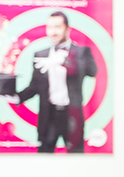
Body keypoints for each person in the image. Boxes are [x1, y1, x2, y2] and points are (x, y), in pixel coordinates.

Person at [7, 11, 98, 153]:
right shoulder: (41, 55)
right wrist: (18, 97)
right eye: (49, 27)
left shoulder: (81, 52)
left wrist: (66, 59)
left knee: (76, 157)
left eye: (57, 27)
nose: (53, 32)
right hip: (48, 116)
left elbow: (92, 71)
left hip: (72, 116)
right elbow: (35, 86)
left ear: (67, 29)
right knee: (44, 156)